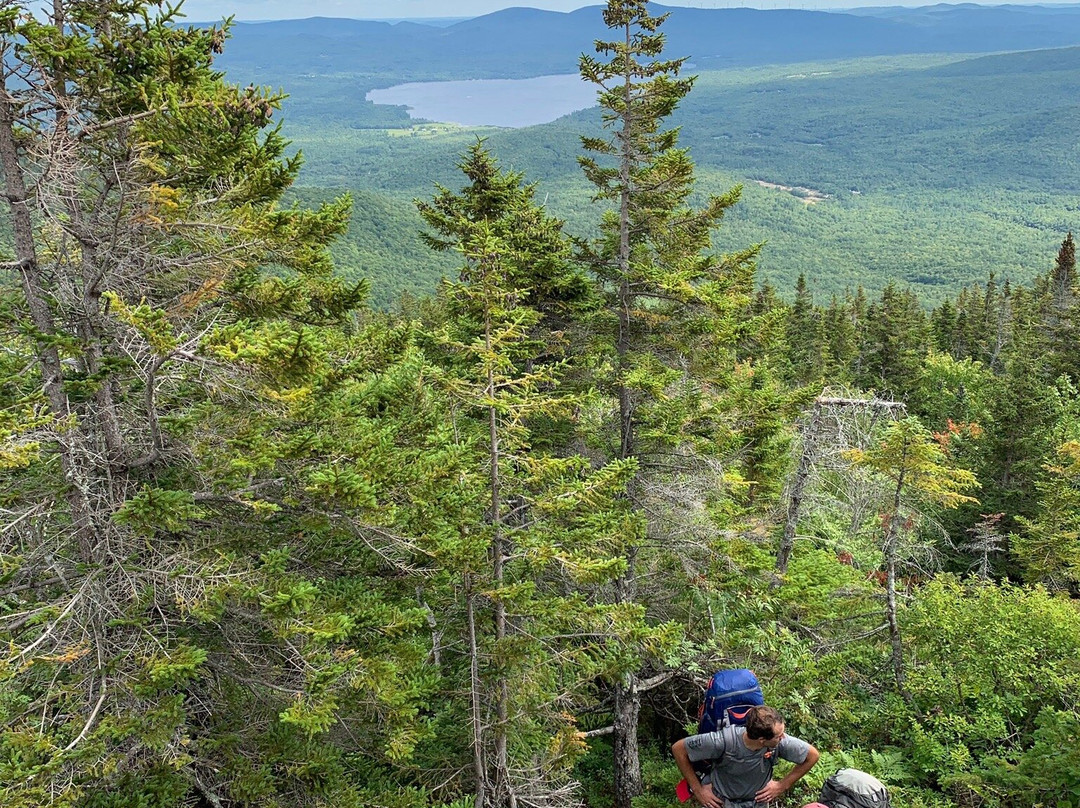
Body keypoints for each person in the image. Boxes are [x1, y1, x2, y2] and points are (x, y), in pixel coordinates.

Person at [672, 705, 820, 808]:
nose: (784, 738)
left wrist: (782, 785)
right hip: (721, 802)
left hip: (757, 803)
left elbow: (812, 756)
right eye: (779, 735)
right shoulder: (722, 741)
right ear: (762, 740)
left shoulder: (778, 742)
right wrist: (698, 790)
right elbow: (679, 749)